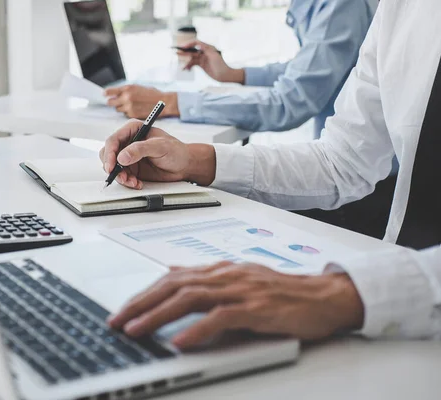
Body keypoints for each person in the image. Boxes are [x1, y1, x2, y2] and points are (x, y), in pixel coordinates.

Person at [99, 0, 441, 345]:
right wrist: (193, 161)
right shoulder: (404, 8)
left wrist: (347, 293)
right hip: (397, 313)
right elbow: (343, 161)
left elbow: (293, 99)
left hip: (394, 298)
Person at [105, 0, 378, 139]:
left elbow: (291, 102)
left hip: (366, 185)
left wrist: (170, 103)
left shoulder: (340, 5)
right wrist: (234, 75)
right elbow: (311, 67)